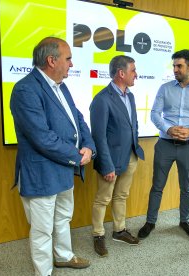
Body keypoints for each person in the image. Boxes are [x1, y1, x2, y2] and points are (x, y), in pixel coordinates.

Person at [10, 37, 96, 276]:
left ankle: (64, 257)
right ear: (51, 60)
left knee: (62, 218)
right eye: (68, 58)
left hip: (63, 169)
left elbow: (77, 119)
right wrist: (77, 156)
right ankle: (43, 273)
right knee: (42, 230)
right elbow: (41, 137)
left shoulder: (61, 85)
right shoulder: (25, 89)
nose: (71, 64)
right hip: (42, 172)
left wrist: (88, 146)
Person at [138, 49, 189, 240]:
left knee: (186, 187)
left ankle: (185, 220)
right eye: (174, 66)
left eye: (179, 66)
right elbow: (155, 113)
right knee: (157, 185)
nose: (175, 70)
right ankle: (150, 221)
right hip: (165, 144)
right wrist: (168, 128)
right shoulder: (165, 88)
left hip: (188, 146)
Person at [90, 55, 145, 257]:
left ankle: (119, 230)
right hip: (110, 160)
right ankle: (98, 235)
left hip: (130, 155)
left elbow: (133, 125)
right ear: (121, 73)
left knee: (122, 196)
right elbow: (98, 136)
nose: (136, 75)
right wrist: (106, 165)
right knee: (103, 199)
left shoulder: (129, 96)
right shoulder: (102, 99)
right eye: (133, 71)